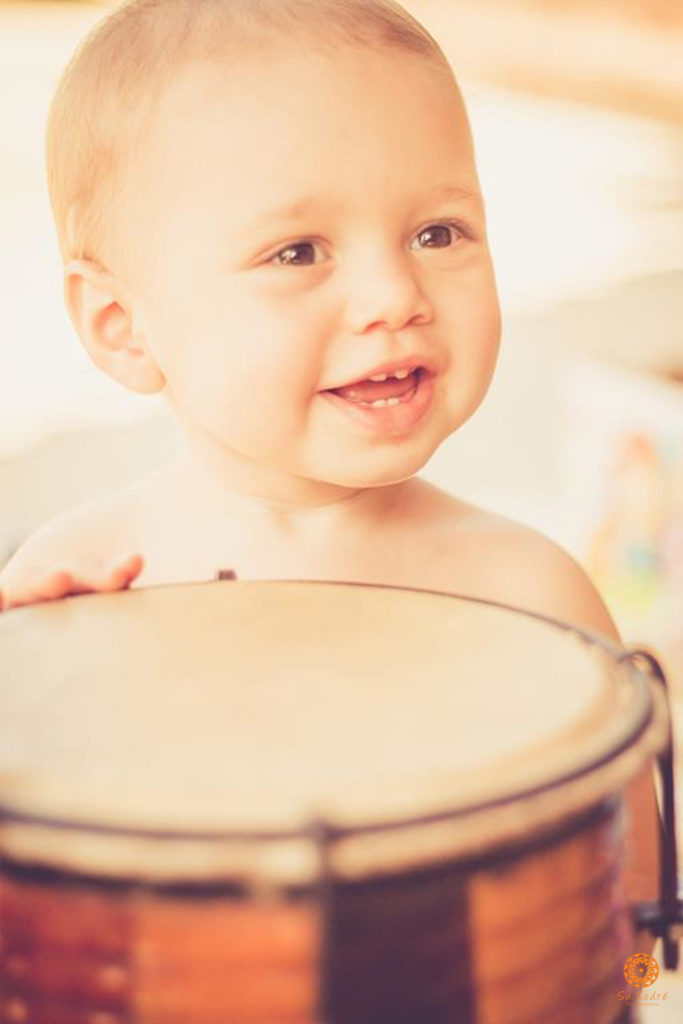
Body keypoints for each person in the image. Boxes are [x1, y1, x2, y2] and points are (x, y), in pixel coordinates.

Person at [0, 0, 658, 931]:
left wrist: (637, 989)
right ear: (125, 328)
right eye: (298, 251)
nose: (395, 295)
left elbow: (637, 916)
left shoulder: (528, 596)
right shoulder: (78, 590)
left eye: (437, 232)